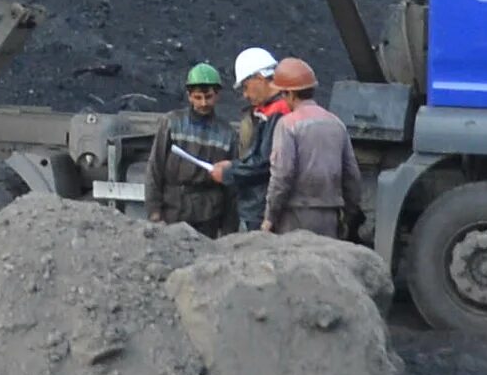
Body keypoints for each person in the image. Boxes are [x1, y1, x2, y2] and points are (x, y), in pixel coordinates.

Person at [260, 56, 365, 238]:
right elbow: (352, 176)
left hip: (295, 217)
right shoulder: (336, 123)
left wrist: (270, 217)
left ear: (290, 94)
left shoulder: (287, 125)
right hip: (330, 217)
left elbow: (282, 175)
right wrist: (348, 213)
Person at [143, 63, 238, 235]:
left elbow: (231, 187)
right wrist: (154, 211)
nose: (203, 103)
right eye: (198, 97)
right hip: (172, 212)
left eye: (208, 97)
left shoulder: (227, 133)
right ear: (189, 96)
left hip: (208, 216)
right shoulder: (171, 123)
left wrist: (229, 228)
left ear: (217, 96)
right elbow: (154, 169)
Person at [215, 46, 286, 233]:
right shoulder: (275, 111)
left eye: (246, 87)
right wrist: (235, 165)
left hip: (263, 208)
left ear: (259, 78)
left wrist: (230, 172)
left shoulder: (278, 113)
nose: (245, 95)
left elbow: (264, 163)